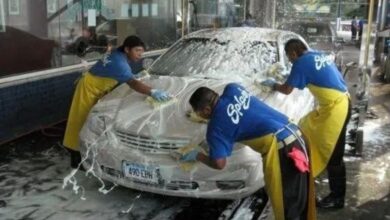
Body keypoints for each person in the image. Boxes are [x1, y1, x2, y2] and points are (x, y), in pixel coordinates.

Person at [181, 83, 316, 220]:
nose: (199, 116)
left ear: (206, 110)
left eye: (198, 112)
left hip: (284, 152)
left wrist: (197, 155)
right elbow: (236, 115)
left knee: (288, 207)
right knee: (302, 200)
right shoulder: (233, 88)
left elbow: (219, 163)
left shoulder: (215, 129)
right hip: (297, 135)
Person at [261, 39, 352, 209]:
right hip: (341, 102)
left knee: (334, 156)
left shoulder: (300, 64)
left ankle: (337, 198)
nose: (290, 61)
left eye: (289, 57)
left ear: (294, 53)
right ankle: (312, 172)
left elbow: (287, 90)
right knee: (307, 128)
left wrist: (273, 85)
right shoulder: (315, 54)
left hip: (336, 109)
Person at [63, 35, 171, 169]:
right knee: (79, 122)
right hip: (88, 90)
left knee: (88, 122)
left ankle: (83, 155)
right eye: (137, 51)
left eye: (141, 51)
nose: (140, 55)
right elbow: (133, 84)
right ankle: (76, 159)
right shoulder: (120, 63)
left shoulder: (118, 54)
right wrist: (153, 92)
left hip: (95, 88)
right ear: (127, 49)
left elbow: (120, 75)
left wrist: (132, 76)